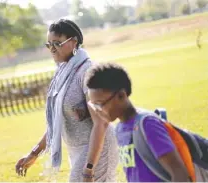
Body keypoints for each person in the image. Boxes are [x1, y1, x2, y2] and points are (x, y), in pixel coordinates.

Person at [15, 19, 118, 182]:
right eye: (49, 44)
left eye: (57, 43)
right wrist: (34, 153)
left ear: (74, 42)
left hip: (98, 149)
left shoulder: (87, 72)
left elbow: (101, 123)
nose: (52, 49)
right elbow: (57, 122)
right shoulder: (62, 74)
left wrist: (89, 167)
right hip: (77, 149)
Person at [84, 62, 192, 182]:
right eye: (94, 105)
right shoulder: (120, 129)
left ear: (121, 95)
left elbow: (179, 173)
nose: (97, 111)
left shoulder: (147, 125)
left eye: (100, 104)